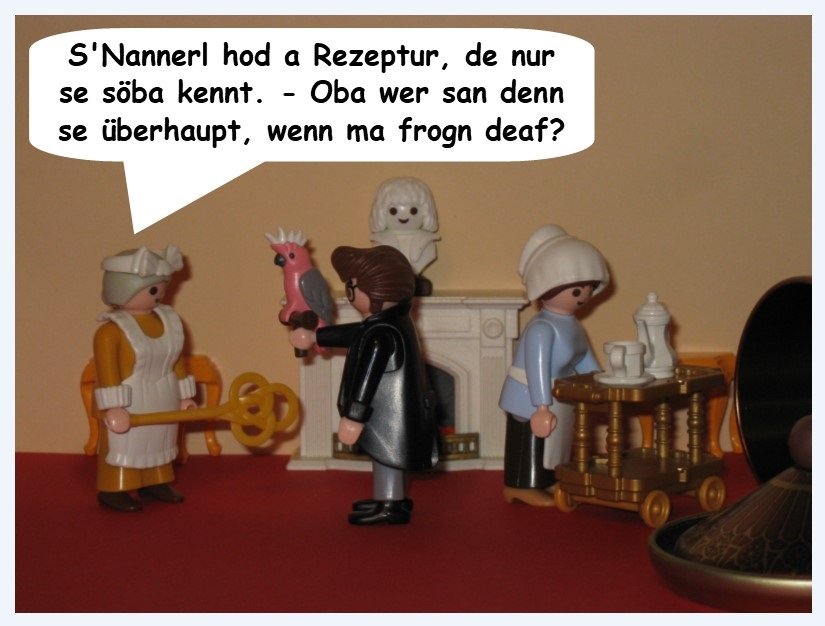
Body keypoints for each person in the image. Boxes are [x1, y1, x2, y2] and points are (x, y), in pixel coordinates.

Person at [290, 245, 439, 525]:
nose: (349, 295)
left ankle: (391, 504)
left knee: (387, 457)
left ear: (377, 290)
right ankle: (390, 499)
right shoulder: (391, 322)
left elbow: (366, 380)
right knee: (387, 456)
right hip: (391, 412)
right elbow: (355, 333)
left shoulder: (382, 333)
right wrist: (315, 337)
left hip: (386, 415)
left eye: (352, 287)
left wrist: (354, 416)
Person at [499, 225, 609, 507]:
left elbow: (584, 358)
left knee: (553, 444)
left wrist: (599, 383)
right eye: (577, 289)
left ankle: (546, 479)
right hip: (529, 395)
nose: (584, 295)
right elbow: (537, 370)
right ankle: (521, 485)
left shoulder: (571, 324)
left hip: (556, 393)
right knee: (531, 443)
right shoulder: (542, 328)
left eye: (588, 288)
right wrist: (541, 407)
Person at [92, 245, 197, 512]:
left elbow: (176, 358)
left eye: (161, 288)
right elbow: (107, 373)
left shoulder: (168, 321)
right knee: (125, 445)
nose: (159, 294)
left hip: (164, 394)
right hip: (129, 399)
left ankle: (156, 481)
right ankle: (114, 487)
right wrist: (113, 406)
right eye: (153, 289)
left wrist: (184, 395)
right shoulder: (110, 332)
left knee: (161, 438)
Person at [369, 176, 440, 296]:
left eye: (413, 210)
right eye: (393, 211)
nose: (404, 216)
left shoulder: (428, 243)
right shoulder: (379, 243)